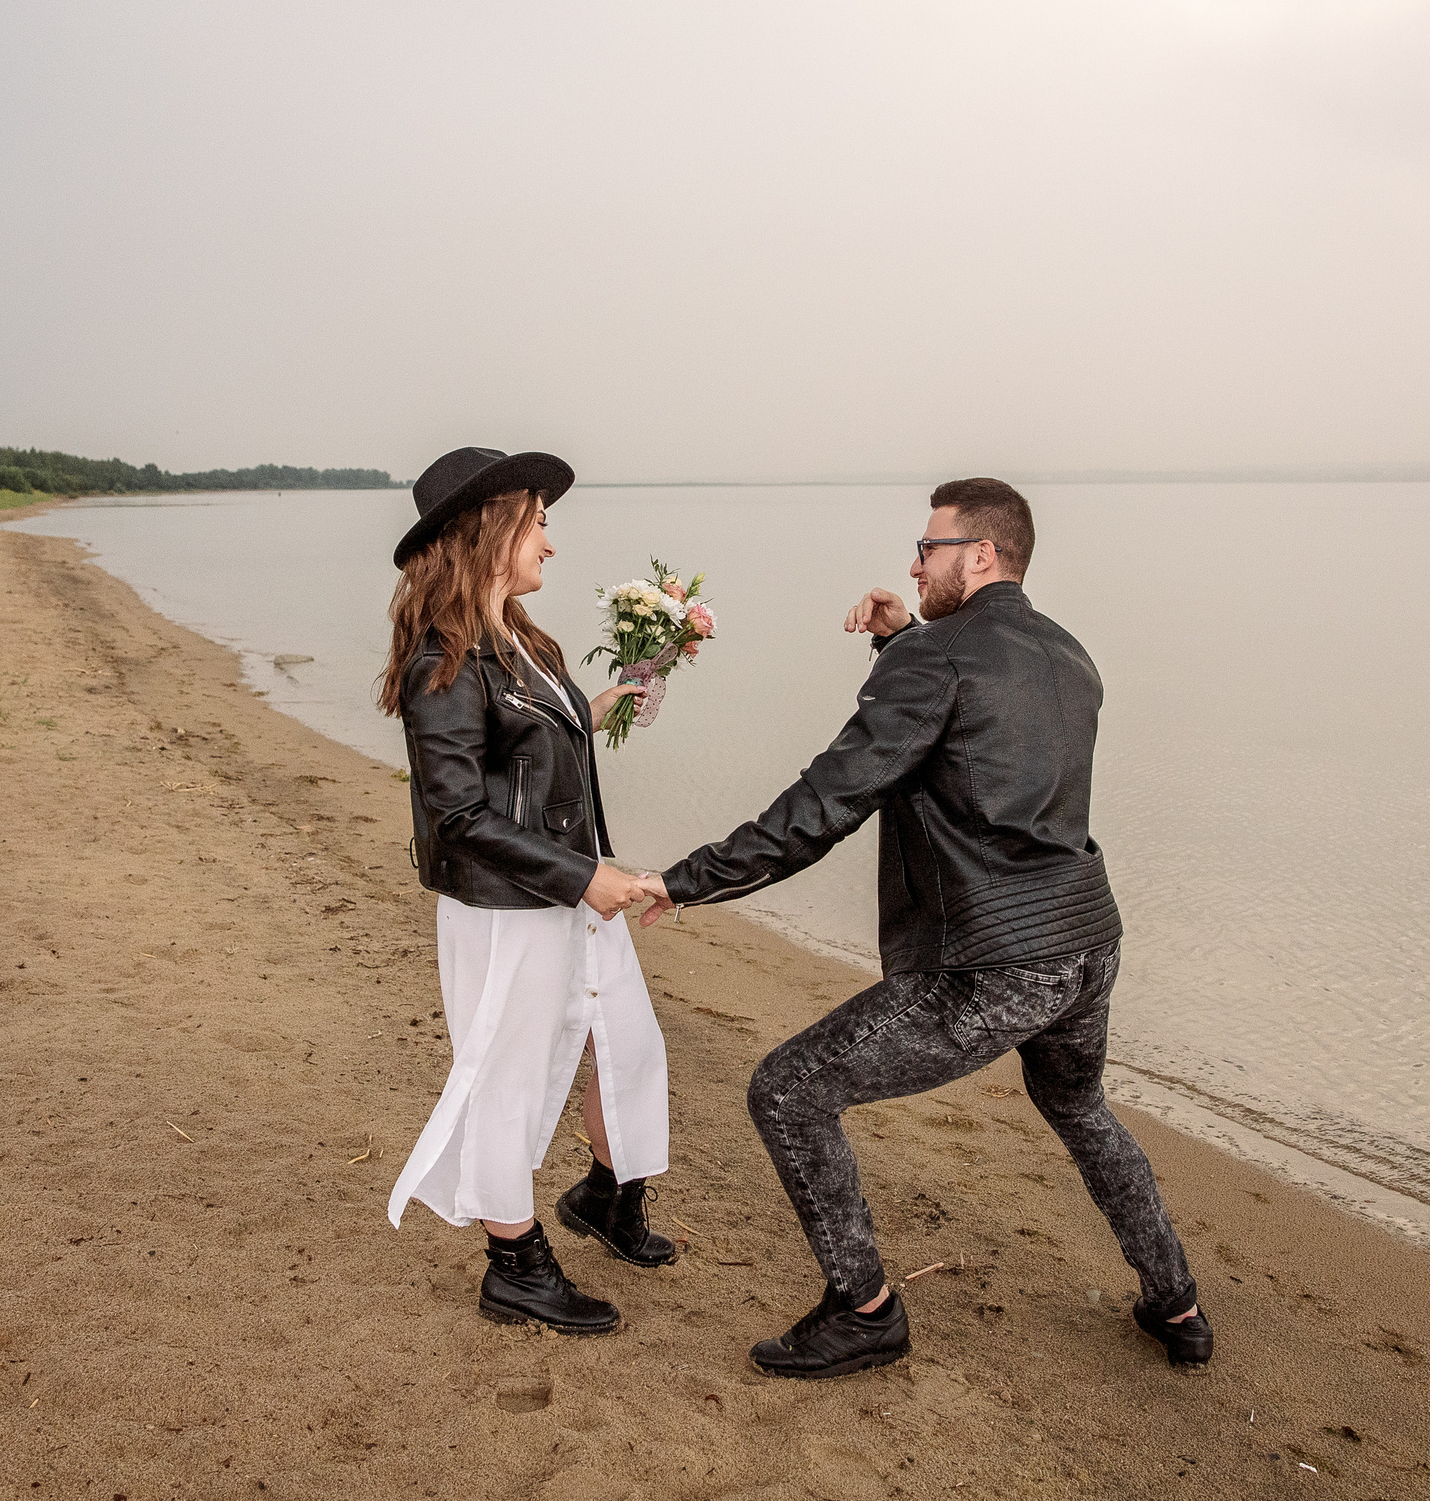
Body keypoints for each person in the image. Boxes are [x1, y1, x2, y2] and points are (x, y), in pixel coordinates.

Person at [642, 477, 1209, 1378]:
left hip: (994, 962)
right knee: (1078, 1106)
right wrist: (902, 634)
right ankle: (1176, 1301)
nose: (914, 561)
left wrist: (683, 881)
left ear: (980, 553)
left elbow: (825, 803)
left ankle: (863, 1310)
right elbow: (976, 729)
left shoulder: (937, 658)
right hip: (1088, 940)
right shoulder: (1070, 655)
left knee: (787, 1089)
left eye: (928, 546)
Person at [381, 446, 678, 1337]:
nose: (550, 540)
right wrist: (591, 876)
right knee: (506, 1076)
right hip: (510, 906)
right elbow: (461, 813)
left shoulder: (520, 636)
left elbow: (542, 729)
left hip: (569, 888)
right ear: (486, 533)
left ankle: (605, 1192)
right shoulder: (442, 659)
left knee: (623, 1040)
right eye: (537, 520)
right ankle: (513, 1262)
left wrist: (621, 693)